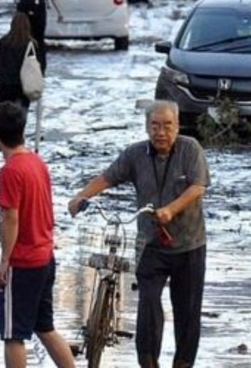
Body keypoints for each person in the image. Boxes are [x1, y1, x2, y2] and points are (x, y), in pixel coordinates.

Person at [68, 100, 210, 368]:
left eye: (167, 126)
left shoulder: (190, 149)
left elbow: (198, 187)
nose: (161, 132)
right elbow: (108, 177)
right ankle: (148, 361)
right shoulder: (135, 154)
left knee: (188, 310)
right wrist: (80, 197)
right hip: (150, 243)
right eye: (155, 126)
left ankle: (183, 364)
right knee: (148, 302)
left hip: (189, 244)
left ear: (177, 126)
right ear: (146, 127)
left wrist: (171, 209)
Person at [0, 102, 76, 368]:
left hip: (23, 262)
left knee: (13, 335)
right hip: (45, 257)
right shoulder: (36, 162)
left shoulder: (10, 171)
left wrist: (4, 262)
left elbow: (11, 218)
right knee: (44, 327)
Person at [14, 0, 54, 73]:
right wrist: (60, 13)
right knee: (39, 40)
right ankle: (41, 67)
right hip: (39, 15)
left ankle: (22, 66)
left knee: (23, 39)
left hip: (23, 15)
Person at [0, 12, 37, 110]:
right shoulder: (31, 45)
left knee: (2, 116)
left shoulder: (3, 42)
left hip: (4, 87)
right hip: (22, 89)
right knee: (20, 116)